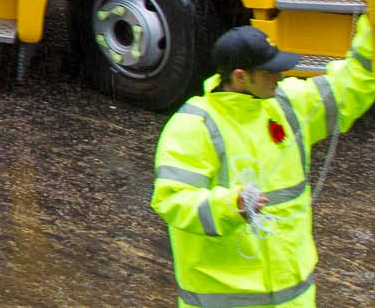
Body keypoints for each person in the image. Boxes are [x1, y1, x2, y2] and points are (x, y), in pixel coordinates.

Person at [151, 15, 375, 308]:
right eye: (270, 72)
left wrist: (371, 32)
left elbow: (351, 86)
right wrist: (231, 206)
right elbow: (172, 200)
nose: (280, 77)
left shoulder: (288, 103)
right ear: (241, 77)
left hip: (294, 298)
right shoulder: (193, 126)